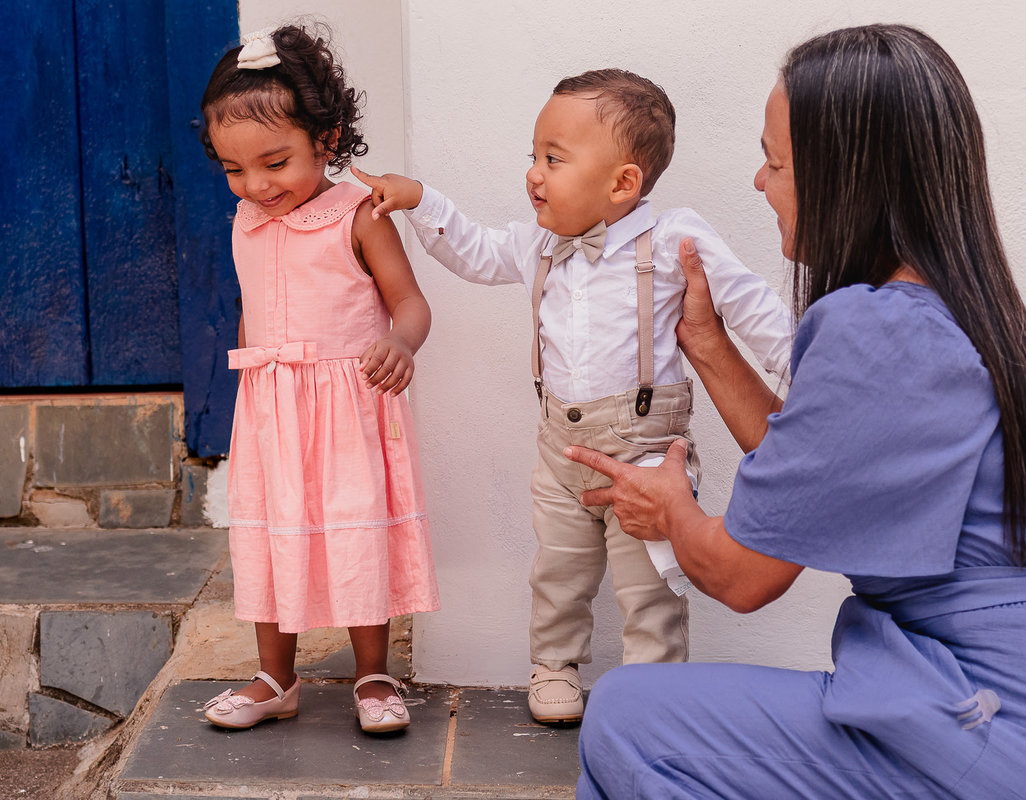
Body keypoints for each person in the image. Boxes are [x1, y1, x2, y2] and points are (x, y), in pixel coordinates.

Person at [564, 24, 1026, 799]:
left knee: (625, 716)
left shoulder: (879, 327)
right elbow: (818, 465)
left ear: (845, 176)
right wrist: (706, 343)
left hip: (1016, 743)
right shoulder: (956, 313)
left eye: (776, 162)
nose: (759, 181)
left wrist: (671, 510)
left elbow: (742, 575)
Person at [352, 69, 793, 724]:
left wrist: (808, 372)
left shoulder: (674, 238)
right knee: (558, 571)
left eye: (552, 159)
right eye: (532, 156)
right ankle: (554, 663)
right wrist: (421, 200)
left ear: (623, 183)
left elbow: (755, 311)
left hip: (645, 447)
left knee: (651, 575)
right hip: (560, 449)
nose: (534, 173)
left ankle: (654, 686)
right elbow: (475, 253)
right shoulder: (538, 243)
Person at [197, 25, 439, 734]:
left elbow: (411, 303)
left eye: (275, 162)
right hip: (271, 410)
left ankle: (372, 672)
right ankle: (276, 677)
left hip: (347, 408)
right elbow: (253, 310)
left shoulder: (358, 215)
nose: (257, 185)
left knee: (353, 532)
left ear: (327, 141)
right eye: (235, 169)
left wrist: (400, 342)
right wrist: (253, 399)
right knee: (272, 533)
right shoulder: (245, 219)